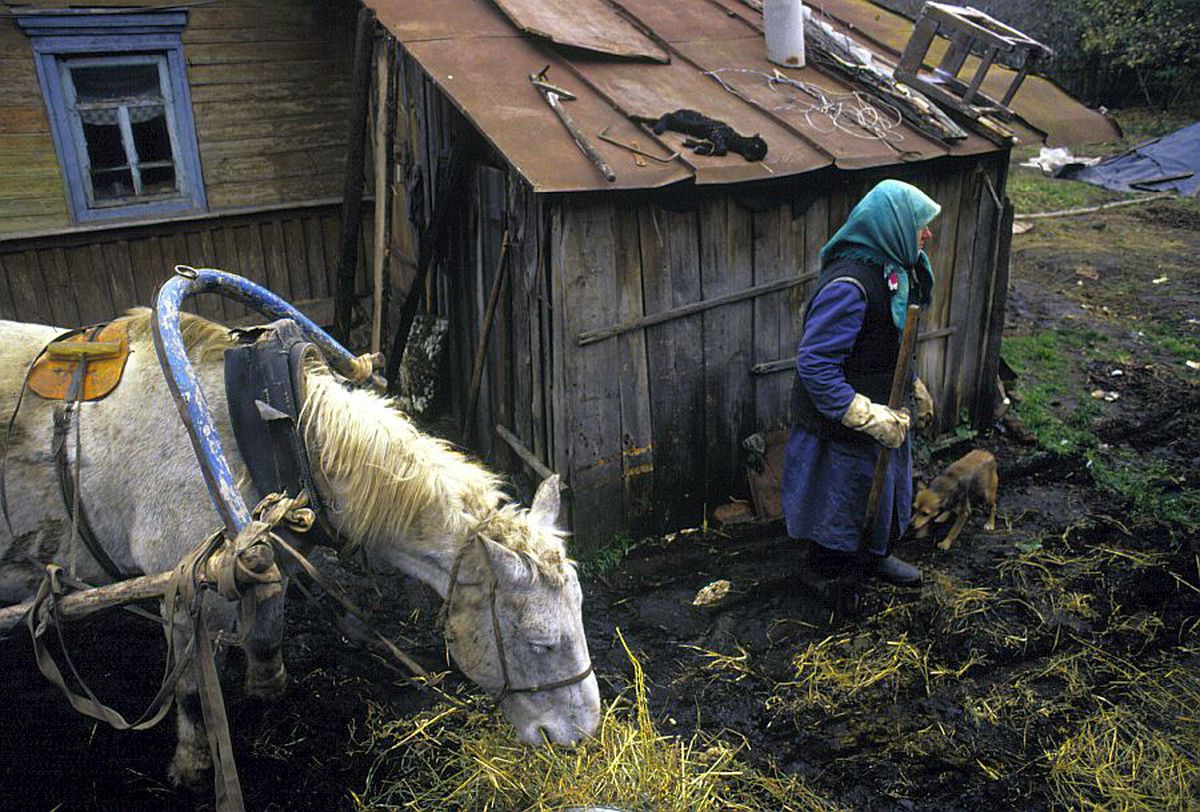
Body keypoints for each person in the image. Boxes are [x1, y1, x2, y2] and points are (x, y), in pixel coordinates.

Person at [783, 179, 939, 586]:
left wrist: (913, 385)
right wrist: (864, 415)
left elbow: (892, 343)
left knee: (879, 495)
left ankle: (872, 557)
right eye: (920, 224)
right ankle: (825, 577)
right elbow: (815, 364)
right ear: (893, 225)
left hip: (885, 409)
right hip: (841, 424)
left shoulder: (899, 271)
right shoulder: (849, 287)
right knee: (839, 502)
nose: (928, 233)